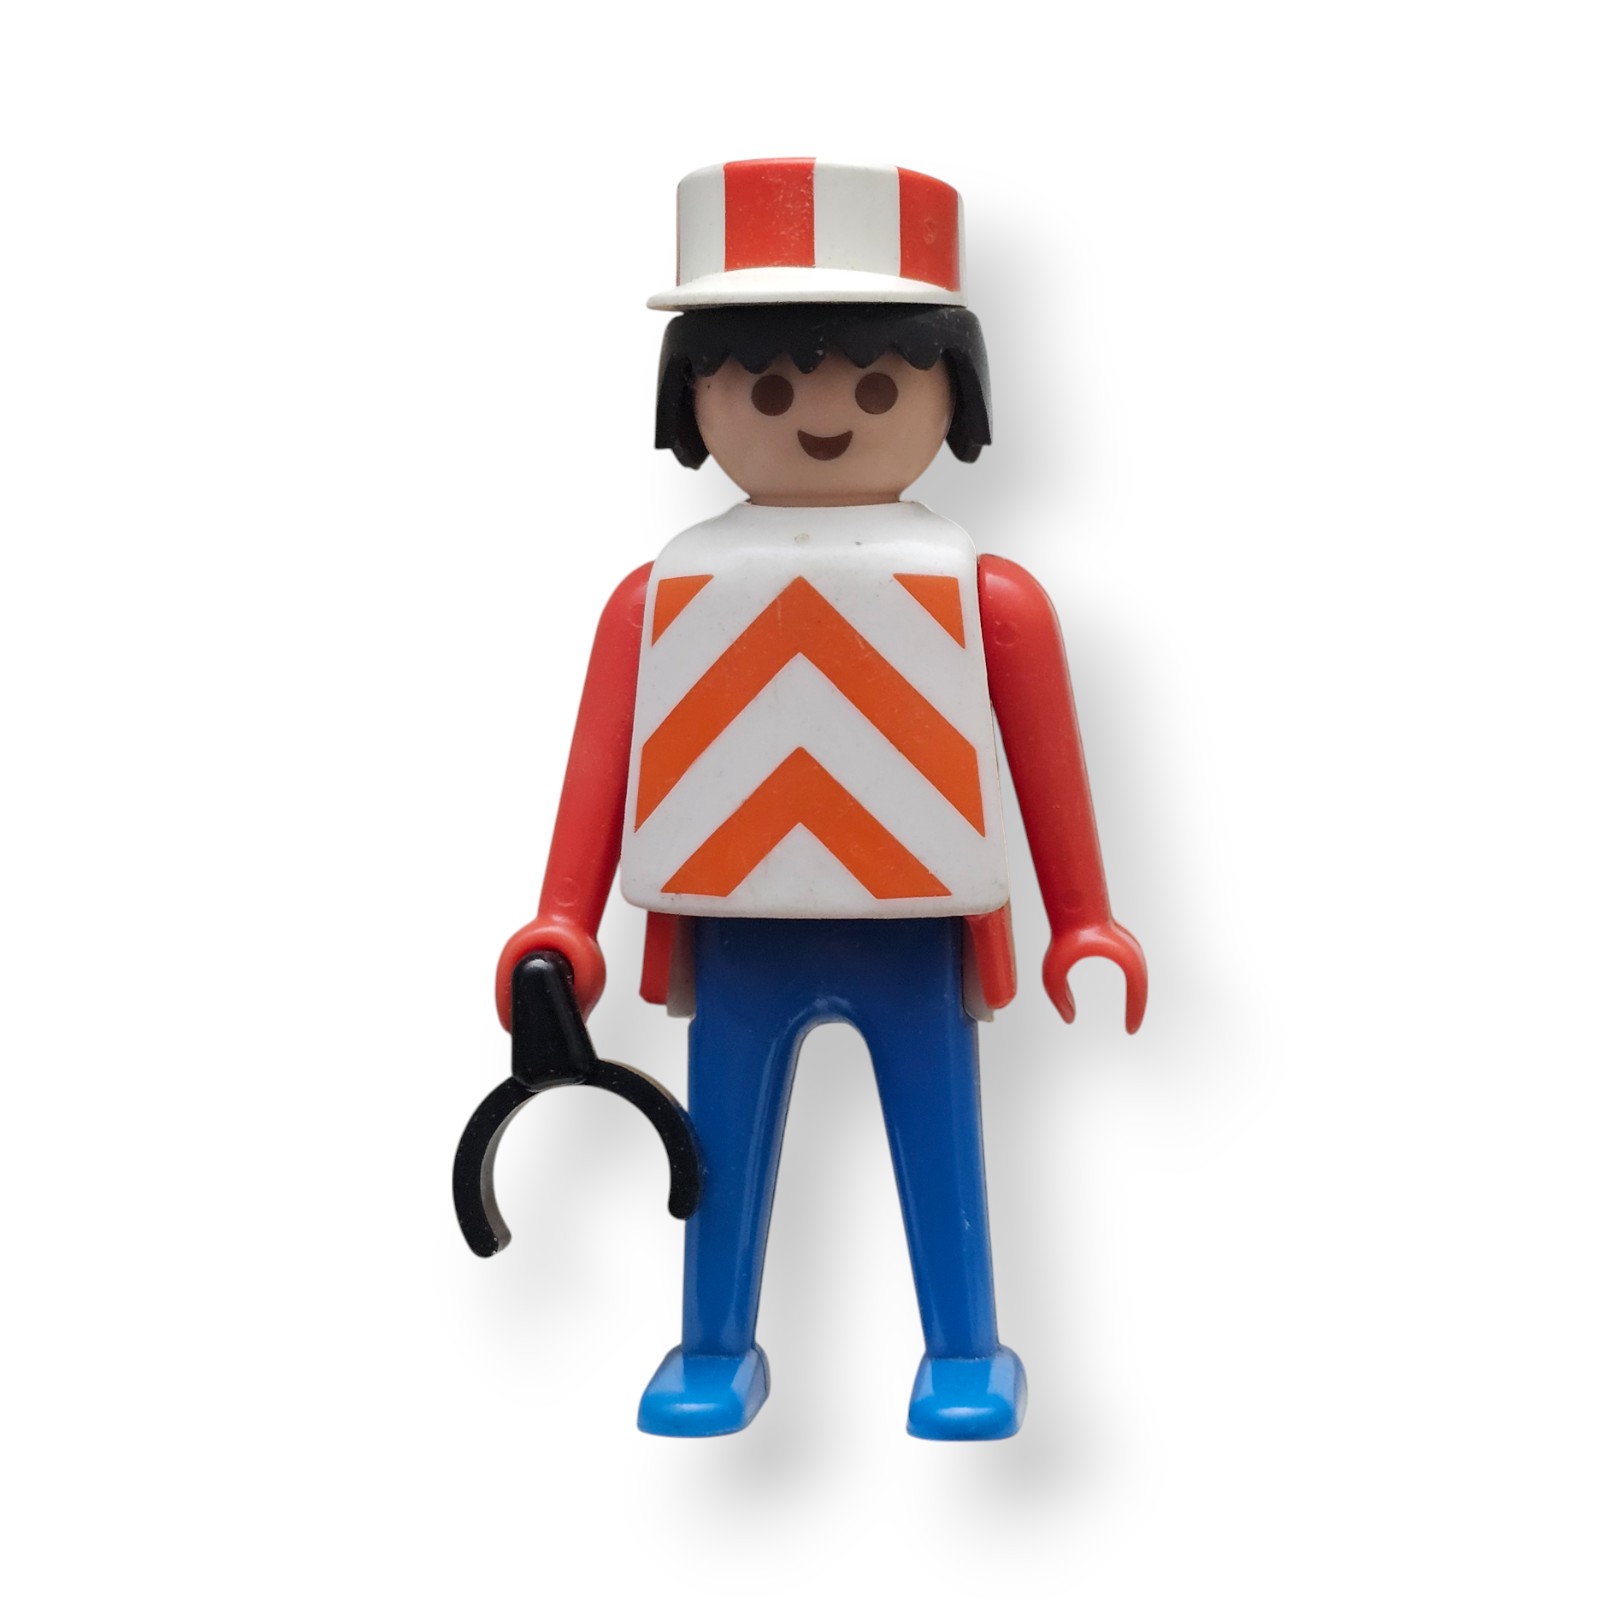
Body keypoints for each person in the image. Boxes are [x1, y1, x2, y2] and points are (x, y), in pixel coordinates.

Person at [495, 159, 1146, 1439]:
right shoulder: (653, 601)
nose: (824, 417)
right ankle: (712, 1345)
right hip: (731, 924)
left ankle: (963, 1349)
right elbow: (600, 764)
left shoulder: (986, 595)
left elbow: (1043, 757)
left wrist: (1084, 918)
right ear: (693, 398)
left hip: (916, 923)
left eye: (877, 384)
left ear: (955, 391)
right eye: (768, 385)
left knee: (940, 1144)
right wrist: (561, 920)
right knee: (719, 1153)